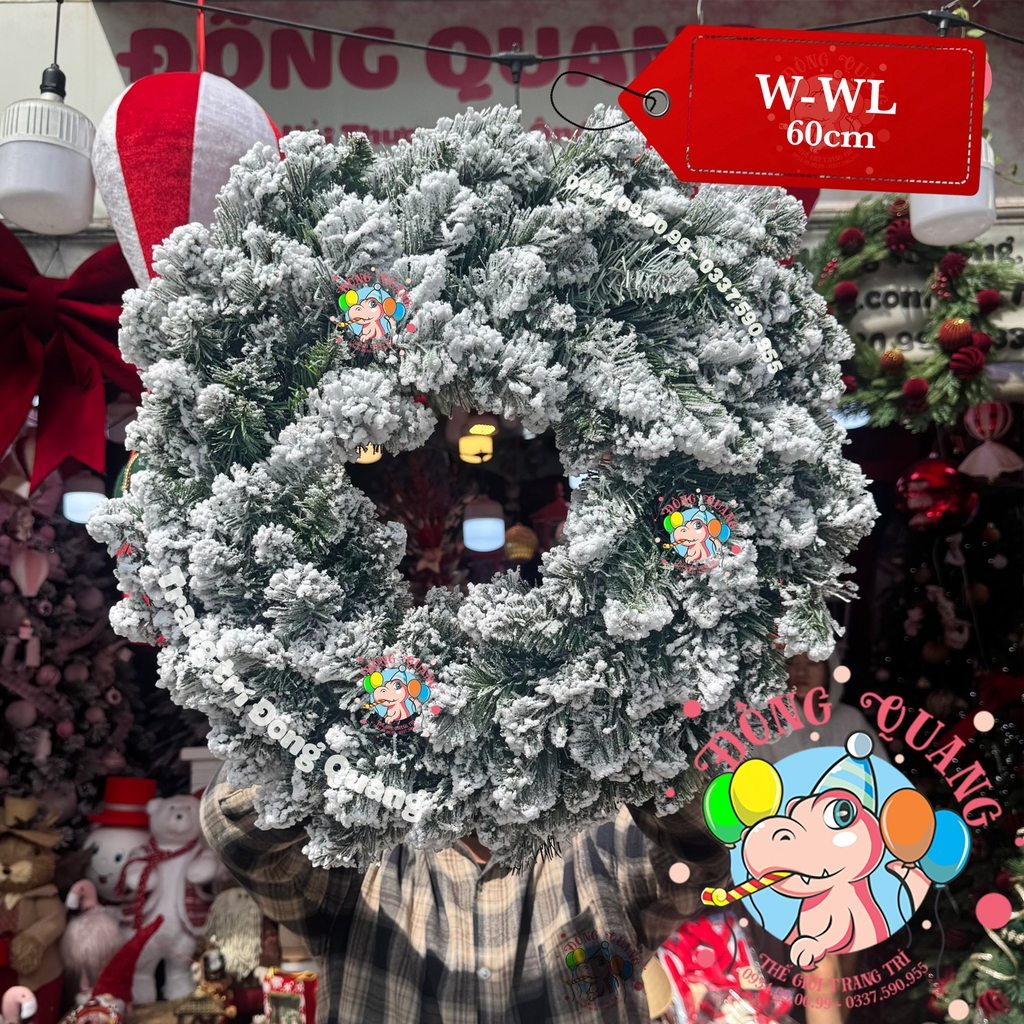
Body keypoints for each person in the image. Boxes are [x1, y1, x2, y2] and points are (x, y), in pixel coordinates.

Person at [200, 775, 729, 1024]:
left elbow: (732, 847)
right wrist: (337, 738)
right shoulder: (358, 864)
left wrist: (642, 745)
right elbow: (232, 831)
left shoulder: (608, 844)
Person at [763, 653, 887, 763]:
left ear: (829, 670)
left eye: (812, 663)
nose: (801, 672)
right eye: (792, 662)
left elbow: (880, 773)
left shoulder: (851, 720)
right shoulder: (765, 723)